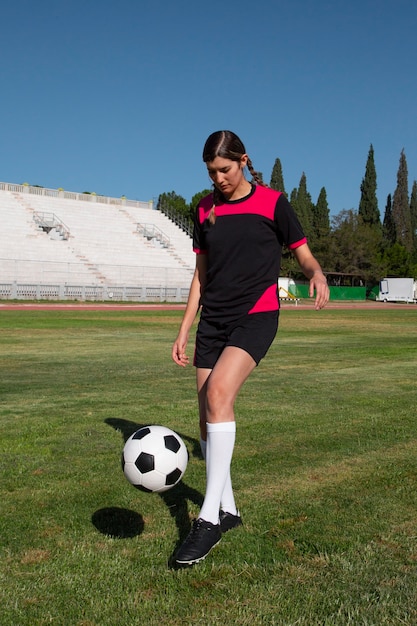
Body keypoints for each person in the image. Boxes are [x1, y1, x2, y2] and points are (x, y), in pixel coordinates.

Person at [171, 130, 329, 567]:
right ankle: (231, 509)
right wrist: (185, 328)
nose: (218, 179)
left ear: (243, 161)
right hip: (213, 321)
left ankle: (207, 520)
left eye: (224, 169)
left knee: (220, 395)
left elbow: (303, 253)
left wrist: (316, 273)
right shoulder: (204, 207)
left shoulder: (273, 203)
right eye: (211, 172)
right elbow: (200, 274)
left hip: (256, 315)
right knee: (205, 413)